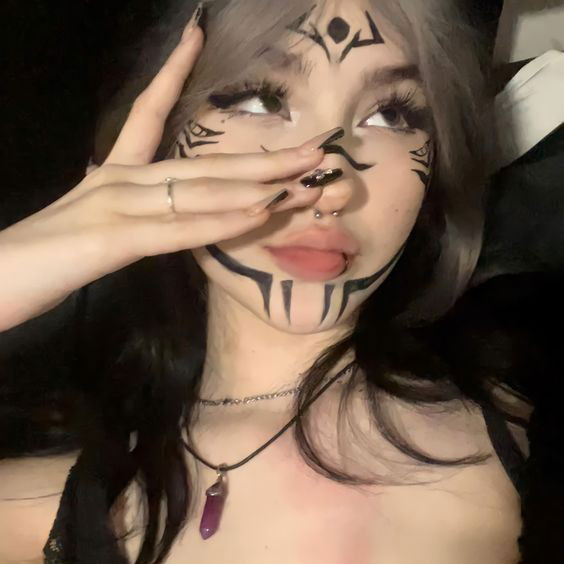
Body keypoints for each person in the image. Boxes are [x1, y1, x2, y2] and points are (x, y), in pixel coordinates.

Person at [0, 0, 533, 562]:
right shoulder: (52, 503)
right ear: (158, 140)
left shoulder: (526, 405)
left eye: (392, 115)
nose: (332, 185)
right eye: (261, 100)